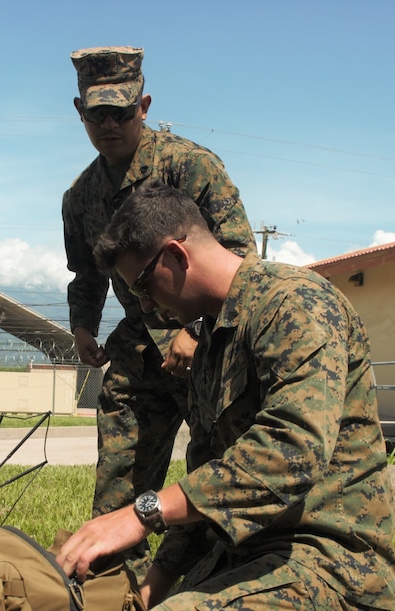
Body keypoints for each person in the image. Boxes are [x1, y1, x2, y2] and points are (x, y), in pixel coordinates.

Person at [56, 182, 395, 611]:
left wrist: (144, 513)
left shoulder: (295, 303)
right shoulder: (212, 338)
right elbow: (211, 478)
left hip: (329, 561)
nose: (146, 307)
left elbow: (293, 449)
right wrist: (158, 583)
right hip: (246, 550)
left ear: (176, 254)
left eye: (144, 287)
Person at [62, 46, 256, 581]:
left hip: (208, 345)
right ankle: (112, 584)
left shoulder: (189, 167)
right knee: (119, 474)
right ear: (78, 111)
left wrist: (195, 330)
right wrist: (82, 326)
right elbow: (86, 272)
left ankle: (216, 578)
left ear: (143, 105)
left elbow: (241, 258)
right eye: (97, 113)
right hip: (138, 347)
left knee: (215, 470)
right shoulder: (79, 197)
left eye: (121, 112)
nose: (109, 124)